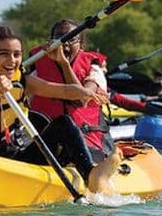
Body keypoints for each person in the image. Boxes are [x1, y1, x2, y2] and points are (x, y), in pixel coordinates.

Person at [0, 26, 107, 181]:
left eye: (17, 54)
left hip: (17, 159)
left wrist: (85, 92)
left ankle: (90, 175)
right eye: (4, 54)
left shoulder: (24, 82)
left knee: (64, 123)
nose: (12, 61)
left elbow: (60, 90)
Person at [28, 19, 115, 161]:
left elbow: (81, 100)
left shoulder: (94, 70)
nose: (65, 43)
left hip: (88, 143)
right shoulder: (37, 71)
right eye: (60, 38)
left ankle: (93, 173)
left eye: (71, 39)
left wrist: (64, 64)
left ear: (81, 45)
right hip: (50, 143)